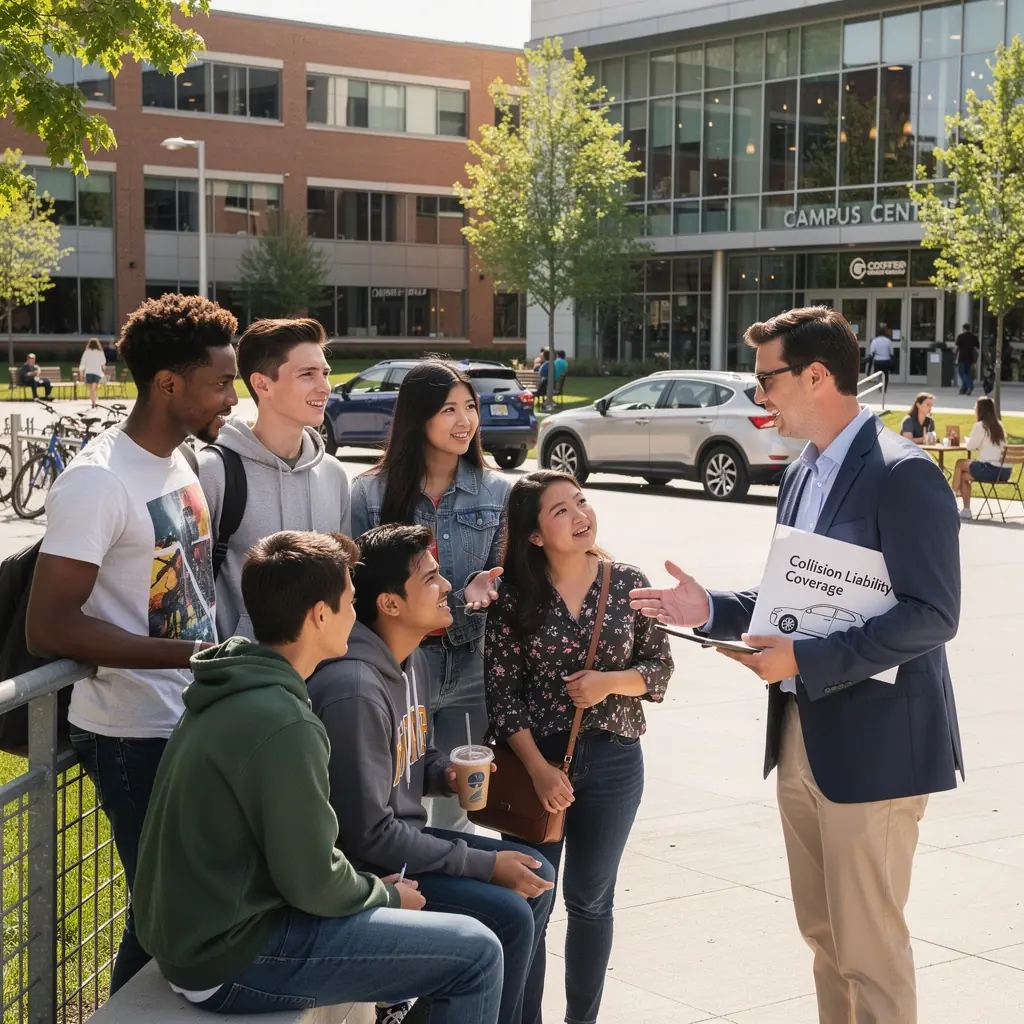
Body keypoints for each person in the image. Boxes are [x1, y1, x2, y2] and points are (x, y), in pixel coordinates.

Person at [630, 305, 963, 1024]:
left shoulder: (904, 476)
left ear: (817, 375)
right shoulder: (801, 474)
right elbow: (794, 597)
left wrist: (804, 659)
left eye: (766, 381)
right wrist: (706, 607)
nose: (759, 396)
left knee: (870, 950)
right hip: (800, 737)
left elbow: (934, 615)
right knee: (824, 939)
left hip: (876, 750)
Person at [133, 530, 503, 1021]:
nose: (357, 615)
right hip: (231, 955)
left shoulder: (240, 684)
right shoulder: (284, 722)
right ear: (320, 616)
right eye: (351, 601)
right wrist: (390, 895)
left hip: (202, 936)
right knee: (476, 953)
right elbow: (313, 881)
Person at [25, 293, 241, 992]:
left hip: (188, 713)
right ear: (169, 384)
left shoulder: (180, 462)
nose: (232, 398)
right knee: (164, 917)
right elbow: (50, 625)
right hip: (130, 735)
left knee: (172, 911)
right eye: (221, 382)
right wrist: (191, 657)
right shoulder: (97, 479)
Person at [308, 523, 555, 1024]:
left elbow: (411, 758)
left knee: (537, 871)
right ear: (390, 604)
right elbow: (366, 836)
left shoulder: (412, 659)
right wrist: (483, 865)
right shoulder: (354, 688)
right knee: (507, 912)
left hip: (401, 843)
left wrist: (443, 773)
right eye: (431, 578)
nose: (447, 586)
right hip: (369, 869)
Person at [486, 470, 673, 1024]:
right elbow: (503, 698)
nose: (580, 516)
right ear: (535, 534)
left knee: (591, 901)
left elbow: (658, 670)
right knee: (531, 902)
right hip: (534, 766)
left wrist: (608, 683)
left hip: (615, 761)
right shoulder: (515, 598)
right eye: (561, 511)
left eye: (581, 502)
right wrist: (540, 770)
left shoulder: (627, 582)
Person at [350, 360, 510, 833]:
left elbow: (508, 578)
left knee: (461, 806)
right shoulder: (370, 493)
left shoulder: (496, 492)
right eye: (448, 410)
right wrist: (461, 595)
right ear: (418, 417)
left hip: (469, 667)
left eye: (470, 407)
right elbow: (362, 592)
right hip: (397, 669)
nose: (465, 421)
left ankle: (448, 904)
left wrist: (490, 590)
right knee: (397, 801)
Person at [197, 317, 350, 641]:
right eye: (307, 374)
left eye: (325, 373)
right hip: (244, 675)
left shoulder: (333, 474)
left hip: (322, 676)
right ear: (263, 385)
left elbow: (344, 583)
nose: (324, 386)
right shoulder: (214, 471)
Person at [951, 395, 1010, 520]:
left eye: (975, 407)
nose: (974, 410)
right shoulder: (999, 426)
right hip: (1004, 472)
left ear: (980, 410)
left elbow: (970, 446)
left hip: (990, 469)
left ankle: (950, 499)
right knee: (963, 476)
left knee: (960, 463)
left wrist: (968, 440)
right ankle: (966, 510)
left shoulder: (981, 426)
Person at [79, 338, 107, 408]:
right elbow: (103, 362)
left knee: (91, 389)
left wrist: (81, 372)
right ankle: (94, 402)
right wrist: (104, 368)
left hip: (88, 372)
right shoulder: (100, 352)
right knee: (94, 388)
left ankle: (93, 402)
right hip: (97, 372)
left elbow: (83, 363)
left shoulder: (87, 352)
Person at [955, 323, 980, 394]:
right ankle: (964, 389)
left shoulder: (960, 336)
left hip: (962, 357)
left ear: (963, 329)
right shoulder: (973, 337)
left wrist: (954, 355)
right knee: (967, 373)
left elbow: (956, 348)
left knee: (961, 373)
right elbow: (977, 348)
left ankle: (970, 386)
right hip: (970, 357)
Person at [868, 326, 894, 390]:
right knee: (886, 374)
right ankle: (884, 388)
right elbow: (891, 353)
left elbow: (872, 352)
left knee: (878, 374)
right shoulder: (888, 341)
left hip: (877, 360)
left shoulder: (875, 341)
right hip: (886, 360)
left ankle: (880, 385)